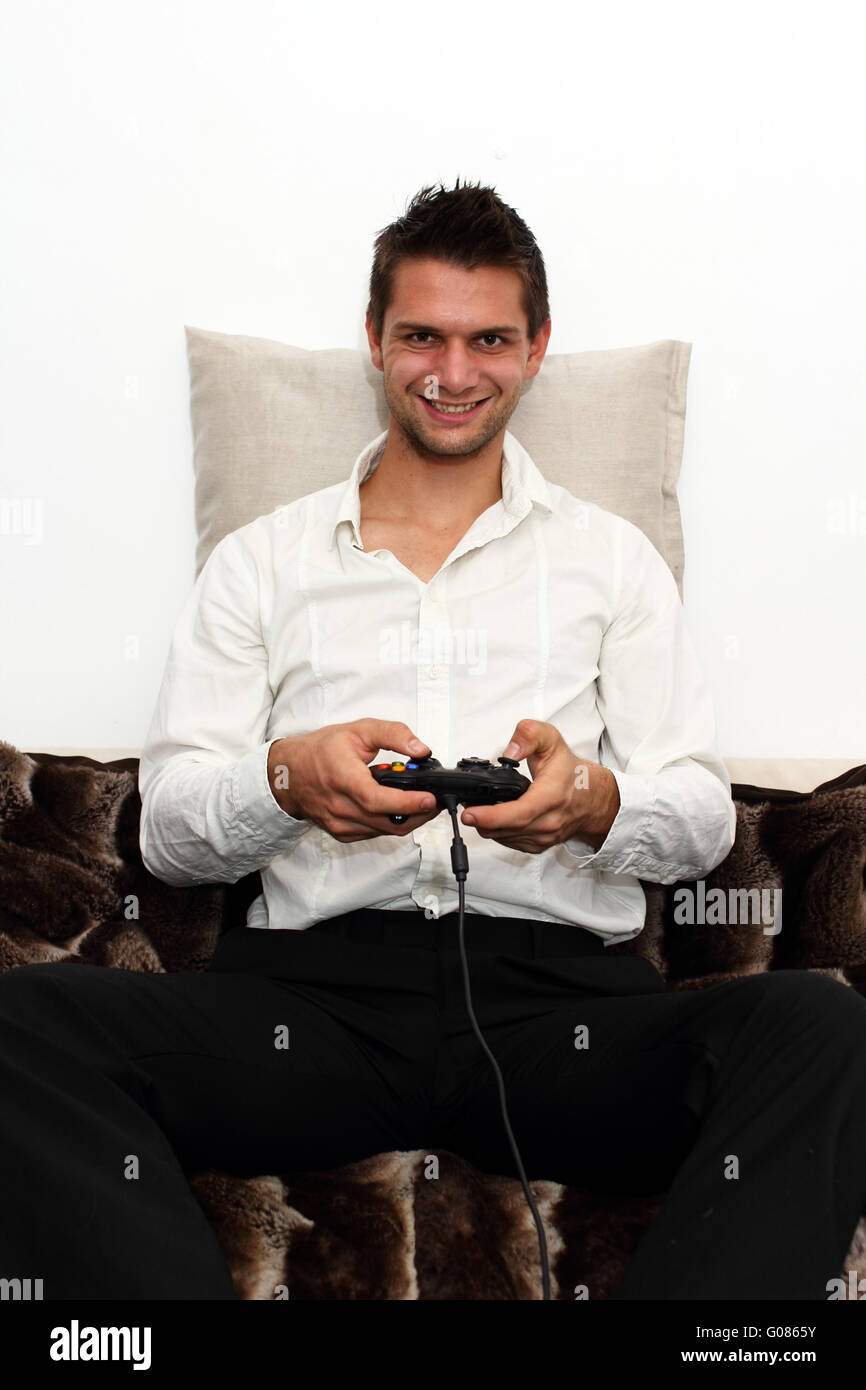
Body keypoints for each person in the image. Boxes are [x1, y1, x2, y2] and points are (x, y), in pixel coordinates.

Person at [2, 179, 866, 1302]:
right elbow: (167, 833)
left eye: (487, 340)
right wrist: (285, 782)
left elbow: (701, 821)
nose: (451, 374)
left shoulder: (610, 563)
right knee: (23, 1024)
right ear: (374, 340)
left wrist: (591, 803)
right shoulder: (261, 563)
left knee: (817, 1025)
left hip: (560, 1015)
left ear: (535, 347)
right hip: (311, 1013)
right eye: (420, 336)